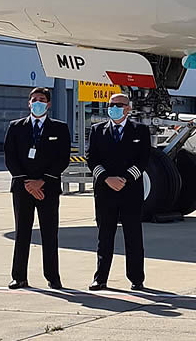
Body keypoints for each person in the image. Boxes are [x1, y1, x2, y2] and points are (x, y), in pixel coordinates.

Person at [4, 87, 71, 289]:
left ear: (48, 104)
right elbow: (10, 158)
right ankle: (19, 276)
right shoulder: (16, 127)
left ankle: (52, 276)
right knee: (22, 233)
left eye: (41, 99)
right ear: (29, 103)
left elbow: (62, 159)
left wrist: (42, 181)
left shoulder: (59, 128)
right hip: (22, 188)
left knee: (49, 233)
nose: (37, 102)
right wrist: (27, 182)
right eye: (34, 99)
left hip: (47, 188)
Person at [86, 93, 151, 290]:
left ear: (128, 108)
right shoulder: (98, 130)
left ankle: (136, 278)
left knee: (133, 236)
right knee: (104, 236)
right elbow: (91, 158)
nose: (113, 108)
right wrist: (107, 178)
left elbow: (143, 159)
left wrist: (125, 179)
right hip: (105, 191)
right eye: (111, 105)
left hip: (130, 190)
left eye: (118, 105)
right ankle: (101, 277)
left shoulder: (140, 130)